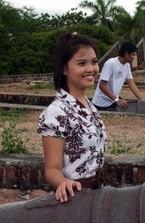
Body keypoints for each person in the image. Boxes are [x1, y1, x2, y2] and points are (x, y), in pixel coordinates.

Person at [37, 32, 107, 203]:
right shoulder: (56, 112)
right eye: (82, 63)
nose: (91, 69)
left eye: (94, 62)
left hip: (97, 195)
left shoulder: (89, 106)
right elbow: (52, 169)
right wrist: (62, 183)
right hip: (76, 199)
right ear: (63, 69)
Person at [91, 41, 144, 110]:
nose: (134, 57)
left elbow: (132, 85)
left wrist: (143, 101)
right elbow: (102, 85)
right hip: (100, 103)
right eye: (133, 55)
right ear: (126, 54)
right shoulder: (111, 63)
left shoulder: (127, 66)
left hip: (112, 101)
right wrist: (117, 100)